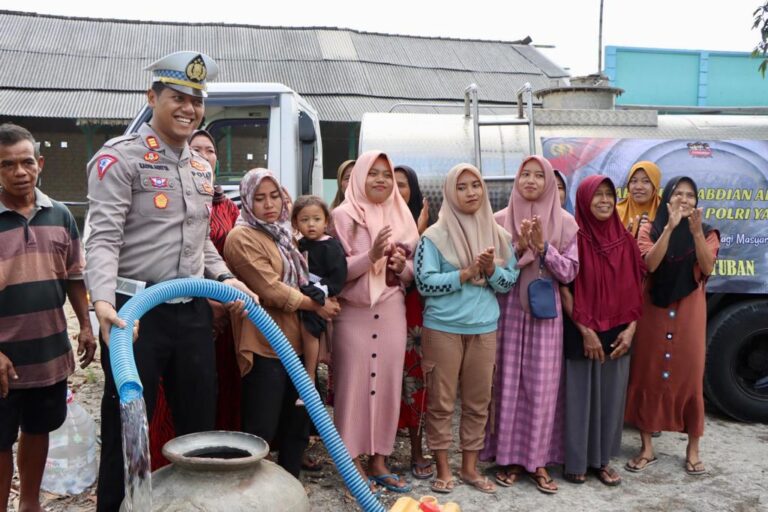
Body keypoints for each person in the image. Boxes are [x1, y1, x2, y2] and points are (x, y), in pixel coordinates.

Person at [85, 51, 255, 511]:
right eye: (177, 97)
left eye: (196, 100)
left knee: (200, 425)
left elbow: (200, 242)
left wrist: (224, 278)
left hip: (193, 313)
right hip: (133, 315)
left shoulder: (200, 168)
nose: (189, 108)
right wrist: (102, 304)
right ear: (152, 97)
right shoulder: (119, 159)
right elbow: (101, 238)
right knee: (128, 426)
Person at [0, 123, 96, 512]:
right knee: (0, 439)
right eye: (7, 165)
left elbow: (75, 276)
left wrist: (86, 325)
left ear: (40, 163)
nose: (19, 171)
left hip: (48, 351)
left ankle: (30, 504)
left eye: (26, 162)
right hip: (4, 358)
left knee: (38, 430)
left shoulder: (60, 215)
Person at [224, 169, 340, 477]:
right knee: (261, 426)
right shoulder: (241, 237)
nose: (269, 204)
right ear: (247, 201)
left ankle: (289, 486)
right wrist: (318, 305)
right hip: (266, 344)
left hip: (301, 341)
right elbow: (270, 289)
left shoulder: (286, 233)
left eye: (274, 196)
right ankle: (254, 491)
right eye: (259, 198)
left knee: (298, 422)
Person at [416, 163, 519, 495]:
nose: (471, 192)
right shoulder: (433, 236)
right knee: (441, 402)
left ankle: (470, 468)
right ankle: (443, 468)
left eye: (476, 185)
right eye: (462, 187)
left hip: (484, 328)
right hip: (443, 328)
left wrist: (490, 270)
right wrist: (464, 273)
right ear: (450, 192)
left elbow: (508, 282)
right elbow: (424, 283)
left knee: (478, 401)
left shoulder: (499, 235)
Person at [481, 155, 579, 494]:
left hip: (544, 314)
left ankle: (537, 460)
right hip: (507, 312)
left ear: (550, 184)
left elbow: (569, 272)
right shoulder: (497, 220)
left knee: (541, 388)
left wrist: (544, 248)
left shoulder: (566, 223)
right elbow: (490, 269)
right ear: (516, 180)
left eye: (540, 176)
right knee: (505, 384)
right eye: (526, 174)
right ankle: (506, 458)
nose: (532, 181)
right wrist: (520, 246)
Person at [148, 129, 243, 469]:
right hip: (170, 303)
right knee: (161, 396)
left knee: (206, 394)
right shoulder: (168, 198)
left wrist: (226, 290)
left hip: (216, 310)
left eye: (210, 150)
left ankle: (208, 464)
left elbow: (223, 255)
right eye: (196, 148)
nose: (204, 154)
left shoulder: (229, 207)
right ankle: (160, 465)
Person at [331, 150, 419, 493]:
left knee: (387, 383)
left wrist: (401, 267)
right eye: (374, 173)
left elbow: (413, 273)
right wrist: (370, 257)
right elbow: (334, 273)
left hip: (392, 307)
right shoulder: (342, 216)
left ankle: (379, 458)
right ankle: (350, 460)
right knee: (352, 384)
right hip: (354, 311)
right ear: (359, 176)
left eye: (386, 174)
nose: (381, 180)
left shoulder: (402, 216)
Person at [624, 177, 718, 476]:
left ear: (696, 201)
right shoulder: (649, 227)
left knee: (690, 378)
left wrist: (694, 234)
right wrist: (669, 228)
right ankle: (647, 448)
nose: (685, 199)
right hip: (653, 311)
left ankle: (692, 451)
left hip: (690, 313)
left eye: (691, 195)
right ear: (668, 198)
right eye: (679, 193)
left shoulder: (708, 232)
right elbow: (650, 264)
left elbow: (707, 267)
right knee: (647, 373)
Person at [560, 176, 645, 486]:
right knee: (581, 399)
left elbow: (637, 288)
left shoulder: (626, 240)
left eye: (610, 195)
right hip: (582, 329)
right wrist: (585, 331)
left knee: (610, 399)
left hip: (619, 331)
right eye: (598, 195)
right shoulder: (574, 239)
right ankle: (577, 462)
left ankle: (602, 461)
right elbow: (564, 290)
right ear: (584, 199)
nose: (605, 201)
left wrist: (632, 330)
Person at [392, 164, 433, 480]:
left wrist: (419, 234)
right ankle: (379, 448)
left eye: (402, 184)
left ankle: (418, 449)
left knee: (414, 378)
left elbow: (425, 273)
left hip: (415, 311)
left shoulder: (428, 225)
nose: (394, 188)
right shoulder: (375, 219)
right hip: (378, 312)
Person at [290, 195, 347, 388]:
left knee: (309, 330)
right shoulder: (299, 244)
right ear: (295, 223)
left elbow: (338, 276)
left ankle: (310, 376)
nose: (311, 225)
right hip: (301, 291)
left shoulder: (331, 246)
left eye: (316, 219)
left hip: (320, 293)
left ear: (326, 222)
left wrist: (321, 289)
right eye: (304, 220)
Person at [616, 161, 662, 237]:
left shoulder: (666, 213)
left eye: (646, 181)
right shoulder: (616, 212)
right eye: (634, 181)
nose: (638, 187)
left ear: (655, 185)